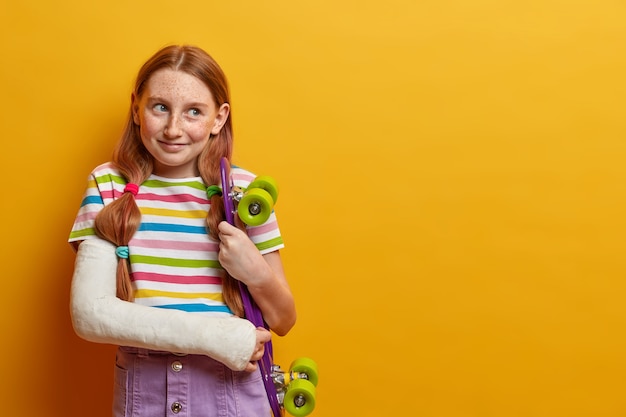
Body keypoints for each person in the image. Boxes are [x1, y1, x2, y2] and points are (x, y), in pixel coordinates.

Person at [68, 44, 296, 417]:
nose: (174, 129)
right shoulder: (108, 185)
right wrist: (214, 336)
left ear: (219, 118)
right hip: (146, 389)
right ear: (136, 109)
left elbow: (284, 319)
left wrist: (254, 271)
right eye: (160, 107)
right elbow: (89, 314)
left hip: (233, 390)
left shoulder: (247, 194)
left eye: (194, 112)